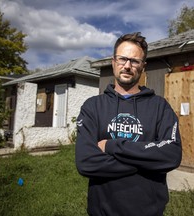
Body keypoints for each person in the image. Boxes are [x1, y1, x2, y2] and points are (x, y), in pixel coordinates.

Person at [75, 32, 182, 216]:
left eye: (134, 61)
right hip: (101, 212)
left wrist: (111, 145)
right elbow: (86, 162)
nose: (127, 66)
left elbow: (171, 154)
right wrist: (145, 162)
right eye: (122, 59)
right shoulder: (93, 107)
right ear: (113, 62)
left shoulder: (160, 107)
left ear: (143, 66)